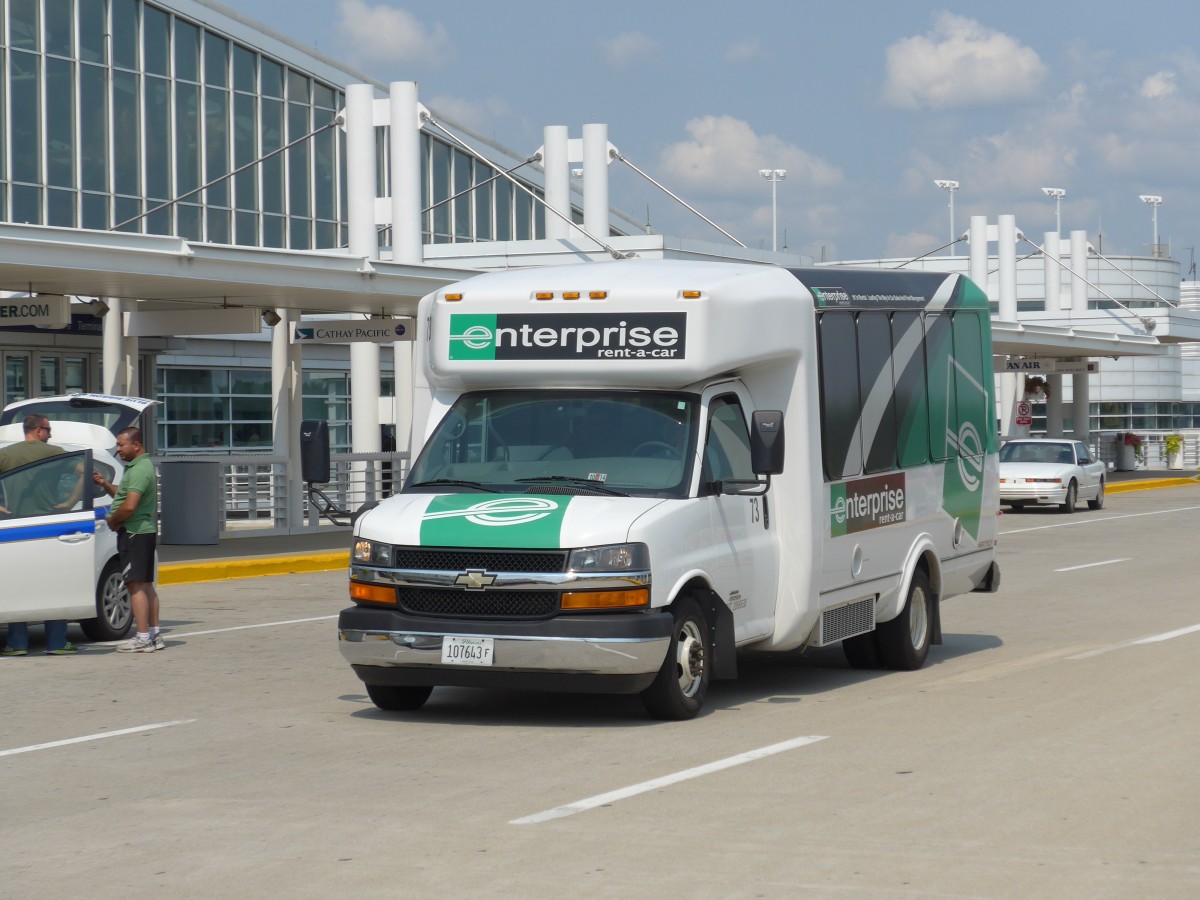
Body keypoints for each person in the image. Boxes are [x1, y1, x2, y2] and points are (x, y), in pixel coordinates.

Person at [0, 414, 79, 656]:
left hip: (15, 527)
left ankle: (16, 643)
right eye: (48, 429)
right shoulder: (54, 452)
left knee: (18, 586)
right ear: (38, 431)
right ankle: (56, 642)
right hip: (50, 525)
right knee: (55, 586)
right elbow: (85, 471)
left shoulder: (6, 454)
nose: (51, 434)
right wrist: (70, 501)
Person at [93, 426, 163, 653]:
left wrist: (114, 521)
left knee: (134, 586)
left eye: (122, 445)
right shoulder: (137, 468)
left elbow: (130, 506)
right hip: (143, 531)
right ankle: (154, 635)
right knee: (145, 585)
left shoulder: (140, 470)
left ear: (136, 444)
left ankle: (142, 638)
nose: (118, 449)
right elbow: (124, 495)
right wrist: (105, 484)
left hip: (134, 533)